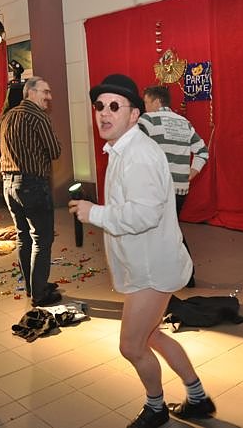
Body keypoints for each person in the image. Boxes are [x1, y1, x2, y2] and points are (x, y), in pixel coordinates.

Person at [69, 74, 216, 428]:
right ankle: (198, 398)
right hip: (146, 264)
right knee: (151, 335)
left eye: (114, 106)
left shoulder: (139, 155)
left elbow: (144, 215)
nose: (104, 113)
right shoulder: (122, 149)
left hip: (153, 269)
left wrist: (94, 213)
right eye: (99, 106)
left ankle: (156, 408)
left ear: (134, 114)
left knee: (132, 346)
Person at [0, 76, 62, 306]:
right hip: (32, 184)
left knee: (23, 236)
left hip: (8, 185)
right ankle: (39, 294)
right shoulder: (38, 116)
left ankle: (32, 286)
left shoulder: (7, 117)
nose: (49, 97)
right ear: (31, 92)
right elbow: (54, 151)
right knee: (41, 239)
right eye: (45, 92)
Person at [139, 85, 209, 288]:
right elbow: (203, 151)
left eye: (146, 102)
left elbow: (134, 148)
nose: (145, 107)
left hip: (157, 188)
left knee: (161, 231)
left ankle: (182, 273)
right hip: (180, 189)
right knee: (170, 229)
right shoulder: (183, 122)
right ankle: (184, 274)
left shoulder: (148, 120)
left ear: (155, 101)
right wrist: (191, 173)